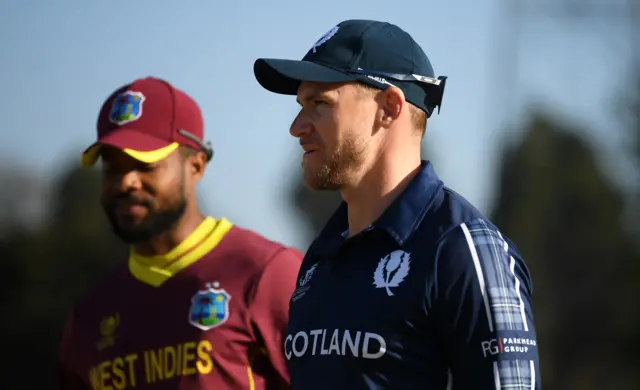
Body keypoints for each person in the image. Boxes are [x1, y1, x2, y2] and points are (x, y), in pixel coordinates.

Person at [253, 19, 541, 389]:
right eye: (300, 105)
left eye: (319, 103)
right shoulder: (320, 257)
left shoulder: (463, 249)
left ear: (389, 107)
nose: (296, 126)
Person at [58, 76, 303, 390]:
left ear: (196, 166)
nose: (125, 182)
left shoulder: (267, 273)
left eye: (145, 165)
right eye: (112, 168)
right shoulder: (88, 317)